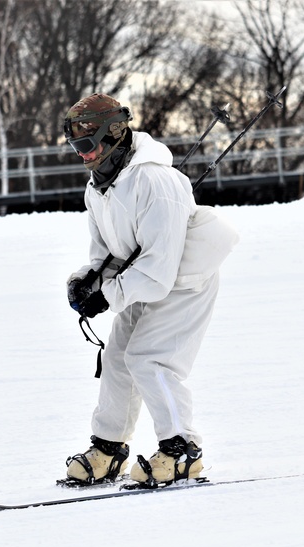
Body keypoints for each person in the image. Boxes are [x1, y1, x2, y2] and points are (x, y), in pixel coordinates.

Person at [62, 93, 240, 488]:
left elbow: (159, 270)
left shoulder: (156, 182)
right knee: (118, 359)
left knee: (150, 360)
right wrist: (86, 281)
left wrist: (107, 296)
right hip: (139, 279)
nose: (82, 154)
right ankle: (109, 449)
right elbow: (108, 253)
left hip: (183, 281)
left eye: (87, 144)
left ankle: (182, 451)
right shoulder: (99, 188)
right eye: (75, 146)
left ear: (113, 134)